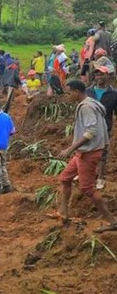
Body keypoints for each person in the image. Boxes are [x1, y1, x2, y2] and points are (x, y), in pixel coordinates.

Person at [55, 80, 117, 233]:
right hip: (83, 152)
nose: (67, 96)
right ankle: (63, 212)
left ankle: (112, 222)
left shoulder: (87, 107)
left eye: (69, 92)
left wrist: (70, 149)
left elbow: (91, 132)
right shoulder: (89, 103)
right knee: (65, 178)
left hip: (88, 152)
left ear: (77, 92)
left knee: (87, 188)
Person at [86, 66, 117, 190]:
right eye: (97, 75)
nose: (99, 77)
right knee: (87, 150)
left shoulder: (114, 94)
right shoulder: (88, 92)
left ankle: (100, 178)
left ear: (108, 76)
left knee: (102, 153)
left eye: (101, 75)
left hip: (105, 127)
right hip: (88, 126)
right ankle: (87, 174)